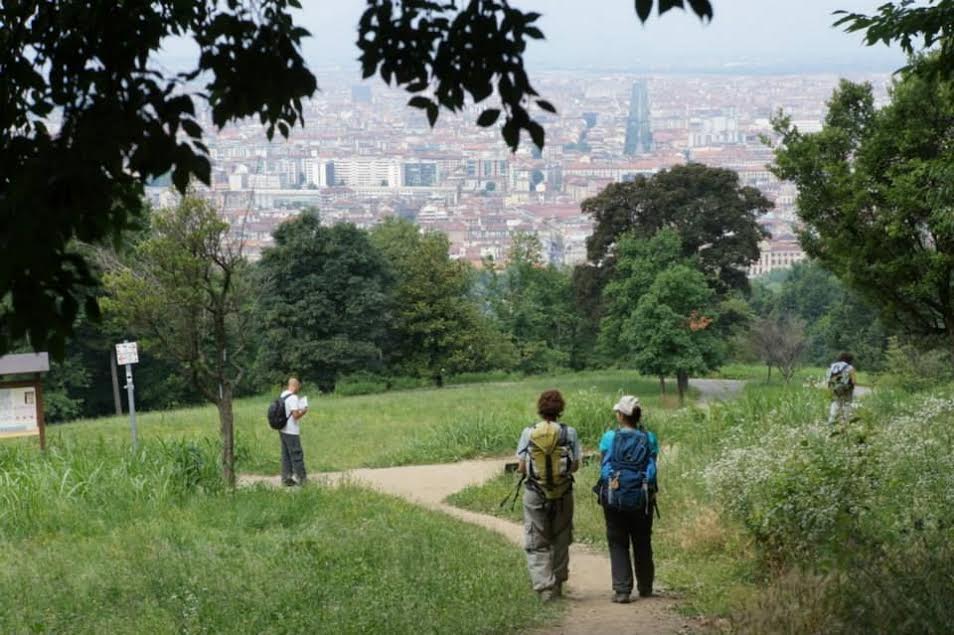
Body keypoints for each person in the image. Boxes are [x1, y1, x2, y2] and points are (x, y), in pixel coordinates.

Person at [515, 390, 582, 602]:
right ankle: (558, 585)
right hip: (563, 494)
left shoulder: (529, 432)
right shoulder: (569, 433)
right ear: (560, 409)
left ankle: (544, 587)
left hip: (535, 493)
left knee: (536, 539)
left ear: (540, 408)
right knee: (561, 537)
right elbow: (576, 466)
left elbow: (522, 467)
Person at [597, 395, 657, 604]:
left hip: (614, 496)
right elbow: (652, 468)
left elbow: (603, 466)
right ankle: (646, 587)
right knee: (642, 540)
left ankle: (622, 590)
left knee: (618, 542)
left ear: (621, 415)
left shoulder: (609, 438)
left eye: (617, 412)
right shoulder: (649, 438)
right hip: (642, 497)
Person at [279, 377, 309, 486]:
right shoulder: (293, 398)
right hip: (291, 431)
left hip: (282, 429)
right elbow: (295, 415)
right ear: (295, 386)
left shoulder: (283, 395)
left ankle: (286, 479)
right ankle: (302, 479)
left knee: (286, 455)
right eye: (298, 387)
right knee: (296, 454)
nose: (298, 389)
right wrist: (304, 411)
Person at [826, 352, 857, 425]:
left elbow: (829, 379)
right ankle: (845, 422)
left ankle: (832, 421)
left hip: (835, 388)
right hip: (846, 389)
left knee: (835, 404)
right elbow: (854, 381)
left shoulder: (832, 366)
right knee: (846, 404)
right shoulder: (850, 368)